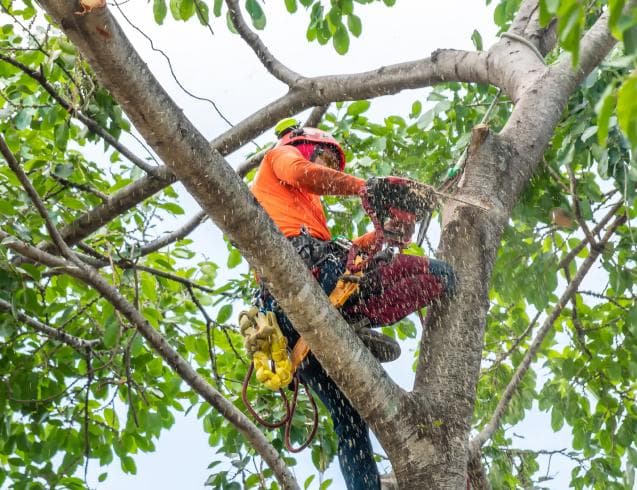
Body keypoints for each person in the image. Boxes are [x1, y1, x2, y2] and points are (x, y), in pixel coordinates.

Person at [250, 124, 456, 490]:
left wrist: (383, 234)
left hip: (310, 310)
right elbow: (304, 173)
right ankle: (353, 321)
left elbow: (351, 256)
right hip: (304, 280)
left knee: (350, 420)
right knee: (438, 273)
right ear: (305, 145)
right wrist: (365, 186)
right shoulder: (280, 157)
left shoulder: (307, 214)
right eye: (327, 159)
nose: (331, 168)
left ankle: (354, 320)